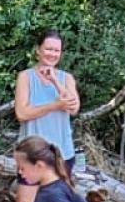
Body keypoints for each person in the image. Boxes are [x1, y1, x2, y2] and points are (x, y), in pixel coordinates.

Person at [14, 29, 81, 179]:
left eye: (57, 50)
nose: (52, 54)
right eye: (48, 49)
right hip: (31, 155)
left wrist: (55, 81)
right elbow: (21, 114)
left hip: (62, 155)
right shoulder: (25, 77)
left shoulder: (67, 78)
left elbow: (74, 108)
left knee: (58, 200)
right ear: (38, 50)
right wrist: (55, 105)